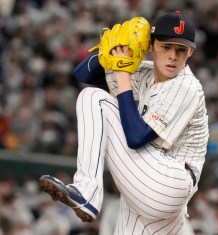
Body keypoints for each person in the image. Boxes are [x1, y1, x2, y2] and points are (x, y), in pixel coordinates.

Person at [39, 10, 209, 234]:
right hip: (144, 188)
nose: (173, 56)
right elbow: (83, 75)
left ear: (191, 53)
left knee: (94, 98)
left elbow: (136, 138)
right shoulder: (145, 73)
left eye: (181, 50)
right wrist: (112, 50)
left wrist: (122, 74)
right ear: (150, 45)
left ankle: (87, 191)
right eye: (166, 47)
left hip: (169, 182)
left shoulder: (185, 86)